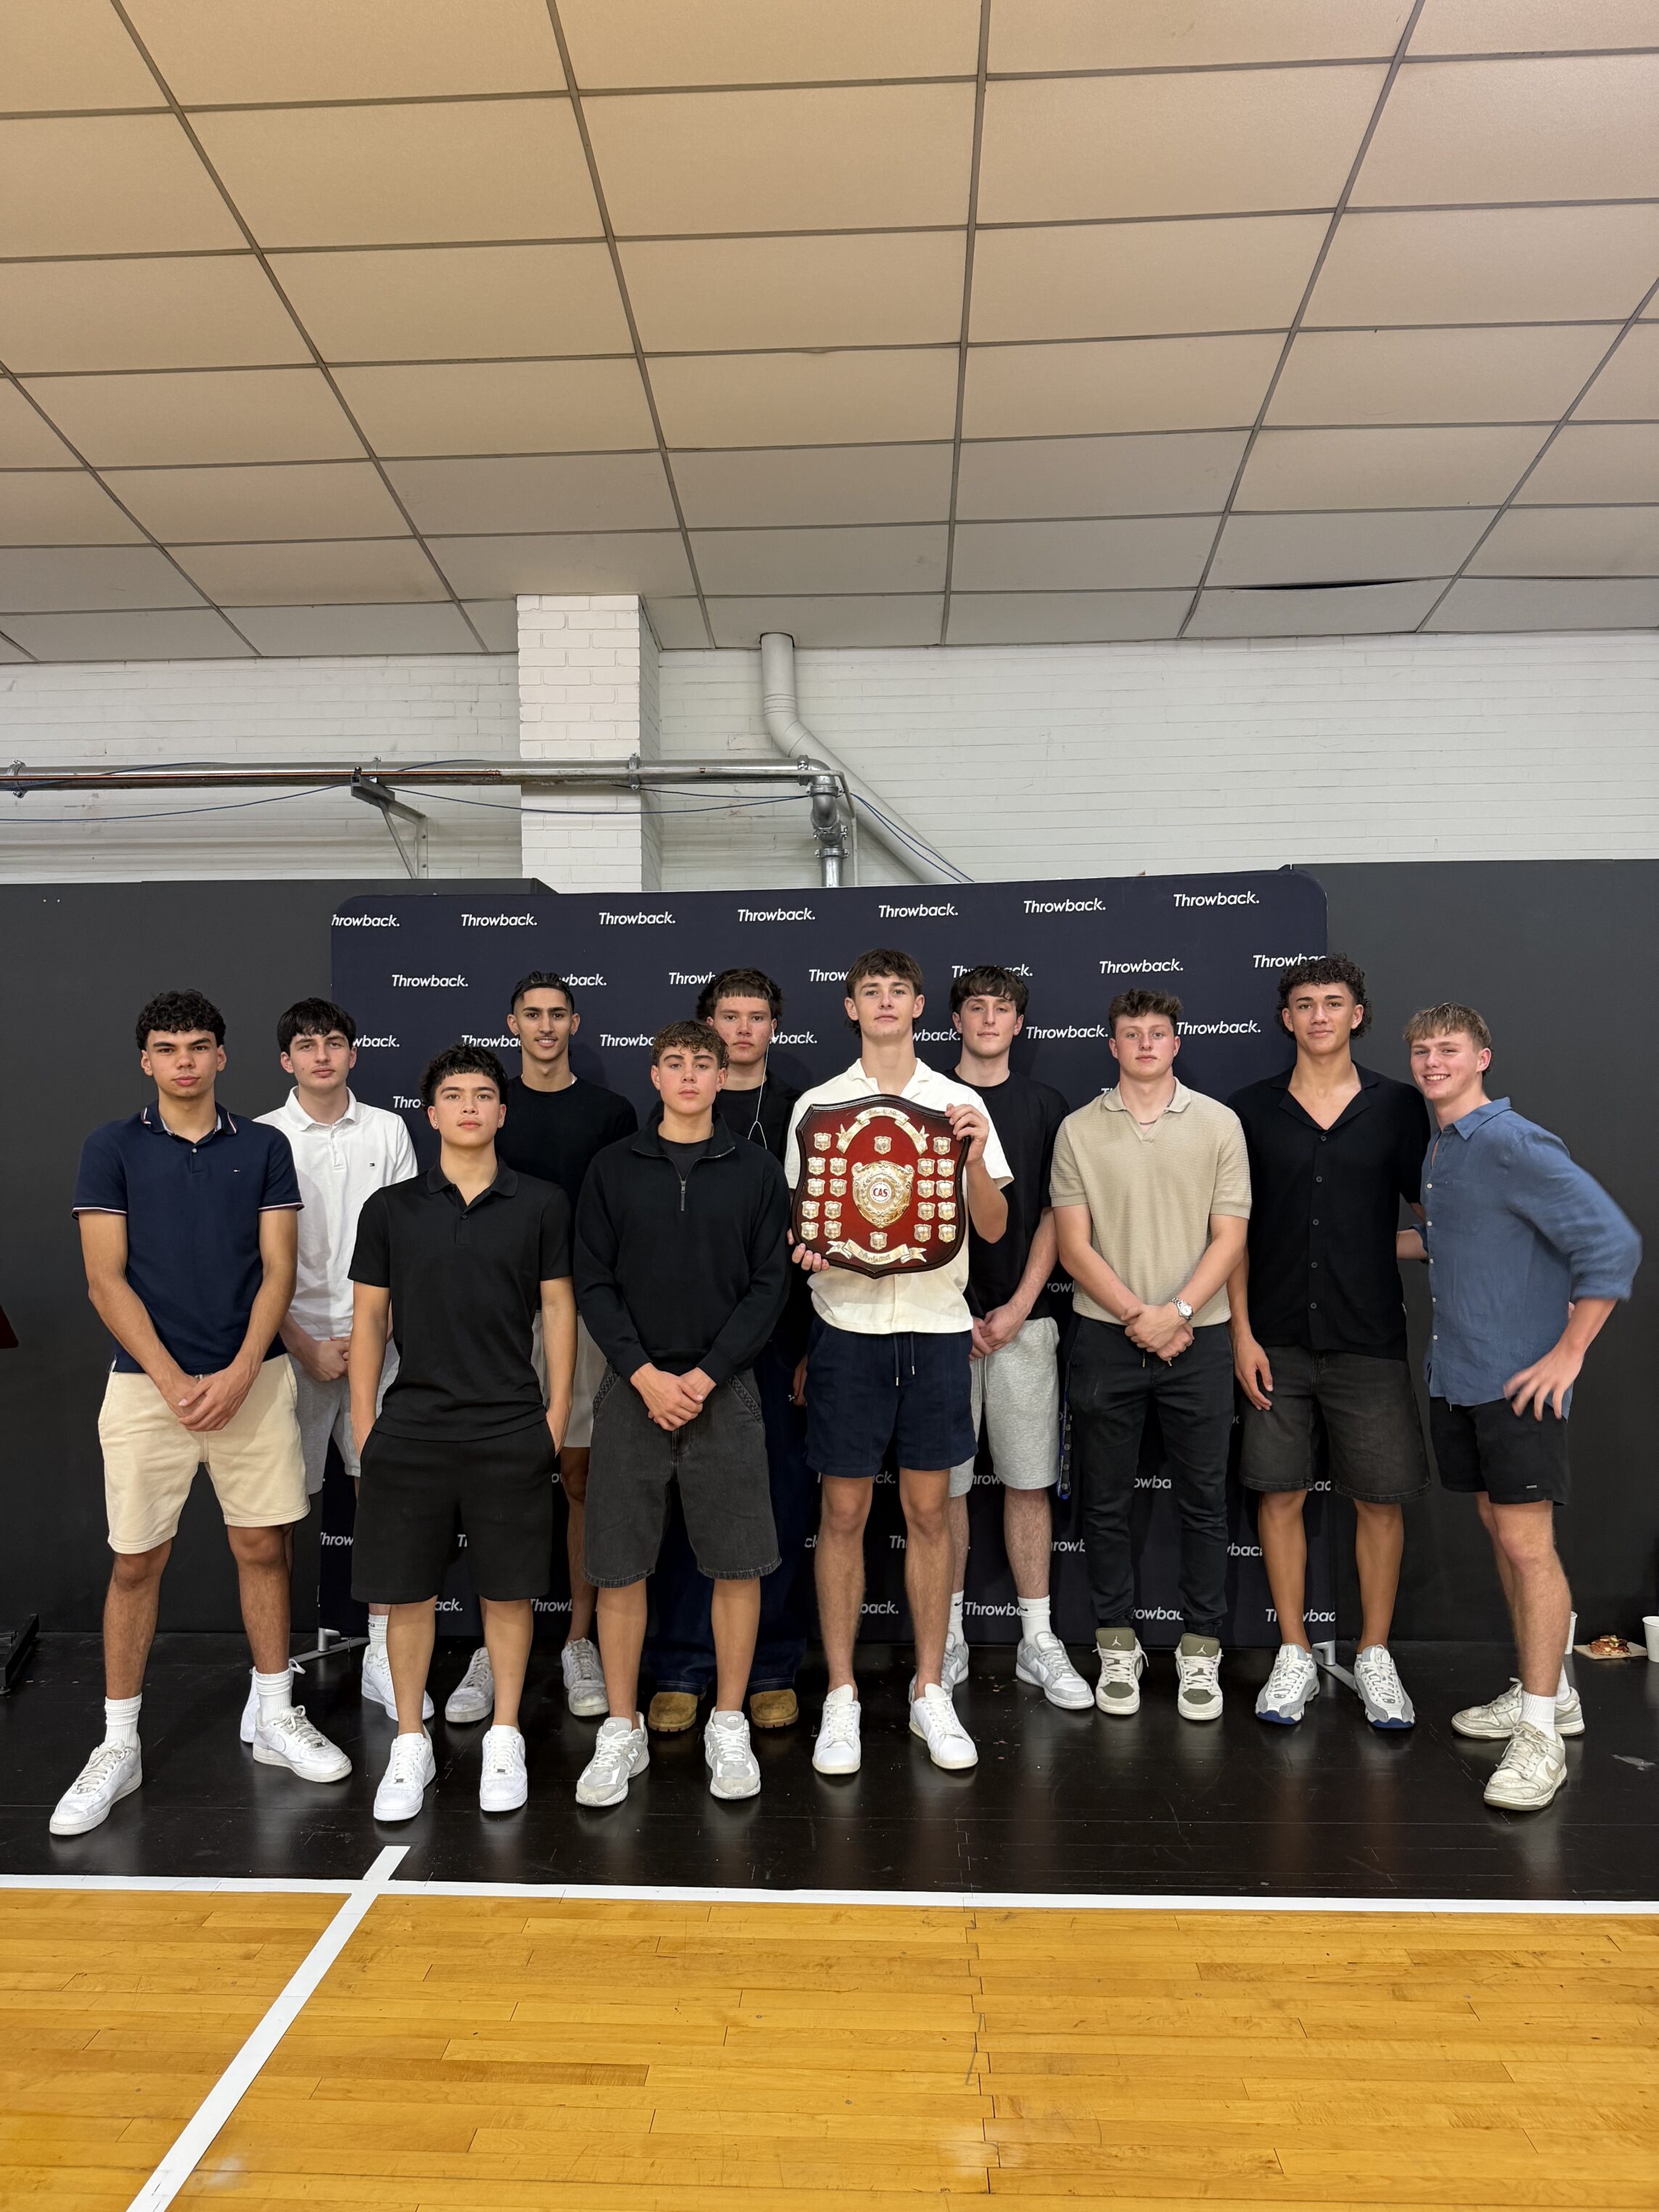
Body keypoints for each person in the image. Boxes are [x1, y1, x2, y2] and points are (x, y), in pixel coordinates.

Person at [53, 990, 351, 1837]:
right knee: (137, 1564)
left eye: (198, 1045)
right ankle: (118, 1745)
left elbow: (278, 1272)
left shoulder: (262, 1147)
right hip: (148, 1389)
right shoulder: (109, 1147)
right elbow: (104, 1279)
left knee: (264, 1546)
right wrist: (176, 1379)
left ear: (223, 1056)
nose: (184, 1060)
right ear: (146, 1061)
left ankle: (273, 1716)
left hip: (249, 1384)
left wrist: (239, 1369)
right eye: (166, 1047)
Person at [1403, 1002, 1639, 1811]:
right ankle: (1555, 1692)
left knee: (1529, 1548)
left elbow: (1613, 1244)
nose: (1434, 1061)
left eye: (1450, 1048)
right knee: (1503, 1539)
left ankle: (1541, 1735)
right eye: (1423, 1050)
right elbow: (1459, 1239)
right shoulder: (1442, 1150)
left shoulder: (1509, 1141)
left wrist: (1567, 1355)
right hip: (1458, 1377)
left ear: (1483, 1057)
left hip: (1518, 1386)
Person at [787, 950, 1011, 1777]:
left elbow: (990, 1228)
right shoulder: (817, 1107)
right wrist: (807, 1250)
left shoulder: (961, 1102)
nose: (885, 1004)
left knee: (928, 1515)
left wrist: (974, 1152)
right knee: (842, 1514)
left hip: (935, 1327)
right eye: (870, 993)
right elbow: (806, 1221)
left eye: (898, 992)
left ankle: (927, 1689)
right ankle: (841, 1695)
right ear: (851, 1007)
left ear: (920, 1005)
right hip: (845, 1326)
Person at [347, 1045, 575, 1820]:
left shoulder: (542, 1204)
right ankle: (411, 1738)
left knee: (508, 1592)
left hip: (511, 1423)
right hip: (410, 1427)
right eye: (454, 1095)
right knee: (407, 1595)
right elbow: (369, 1318)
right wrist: (364, 1422)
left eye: (484, 1094)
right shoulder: (390, 1210)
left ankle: (505, 1733)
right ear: (432, 1113)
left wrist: (553, 1416)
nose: (471, 1106)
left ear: (502, 1113)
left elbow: (558, 1313)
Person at [572, 1022, 790, 1807]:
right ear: (656, 1074)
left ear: (724, 1073)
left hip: (723, 1392)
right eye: (677, 1064)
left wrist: (702, 1375)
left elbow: (770, 1287)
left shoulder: (758, 1170)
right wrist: (642, 1373)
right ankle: (622, 1727)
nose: (692, 1076)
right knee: (620, 1566)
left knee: (737, 1563)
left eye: (706, 1063)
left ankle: (726, 1721)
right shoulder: (612, 1168)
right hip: (632, 1392)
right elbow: (592, 1282)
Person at [1227, 956, 1432, 1731]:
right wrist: (1242, 1333)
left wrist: (1397, 1247)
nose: (1318, 1015)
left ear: (1357, 1014)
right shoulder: (1250, 1111)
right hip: (1273, 1338)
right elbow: (1232, 1237)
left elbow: (1432, 1216)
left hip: (1369, 1337)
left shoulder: (1400, 1107)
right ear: (1287, 1019)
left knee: (1379, 1499)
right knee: (1278, 1493)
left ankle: (1374, 1655)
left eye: (1333, 1002)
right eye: (1304, 1004)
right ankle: (1294, 1653)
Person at [1051, 988, 1251, 1722]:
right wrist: (1139, 1315)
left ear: (1176, 1043)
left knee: (1205, 1504)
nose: (1144, 1044)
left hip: (1200, 1337)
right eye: (1130, 1034)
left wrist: (1179, 1314)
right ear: (1111, 1046)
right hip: (1108, 1337)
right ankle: (1115, 1643)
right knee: (1105, 1506)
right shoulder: (1077, 1130)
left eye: (1157, 1033)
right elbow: (1073, 1243)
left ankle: (1202, 1650)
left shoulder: (1219, 1124)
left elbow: (1229, 1237)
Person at [451, 971, 635, 1730]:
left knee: (582, 1475)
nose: (547, 1026)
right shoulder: (489, 1109)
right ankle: (495, 1650)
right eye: (532, 1015)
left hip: (585, 1314)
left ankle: (579, 1642)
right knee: (502, 1477)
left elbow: (623, 1217)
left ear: (575, 1022)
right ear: (512, 1023)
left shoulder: (611, 1112)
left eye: (559, 1015)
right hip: (498, 1318)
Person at [643, 969, 812, 1734]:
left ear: (775, 1026)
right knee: (683, 1509)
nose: (742, 1031)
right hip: (677, 1354)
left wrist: (808, 1347)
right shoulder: (671, 1112)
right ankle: (682, 1663)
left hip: (772, 1344)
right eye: (728, 1018)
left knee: (769, 1510)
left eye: (756, 1017)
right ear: (703, 1030)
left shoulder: (803, 1108)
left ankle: (774, 1661)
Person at [256, 997, 419, 1734]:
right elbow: (250, 1263)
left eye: (334, 1042)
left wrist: (368, 1336)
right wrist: (301, 1341)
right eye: (306, 1045)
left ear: (353, 1053)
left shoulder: (389, 1129)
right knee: (274, 1517)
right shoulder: (257, 1139)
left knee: (378, 1496)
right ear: (286, 1060)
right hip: (287, 1351)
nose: (322, 1054)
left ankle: (385, 1652)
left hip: (374, 1348)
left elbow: (409, 1240)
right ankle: (272, 1680)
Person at [946, 965, 1089, 1711]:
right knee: (943, 1494)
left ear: (1020, 1024)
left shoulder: (1043, 1105)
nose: (990, 1019)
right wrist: (958, 1310)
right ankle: (948, 1638)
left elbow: (1053, 1218)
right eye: (977, 1007)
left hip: (1025, 1324)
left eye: (1003, 1009)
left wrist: (1017, 1306)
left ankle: (1037, 1638)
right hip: (940, 1325)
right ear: (958, 1021)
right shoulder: (927, 1101)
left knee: (1029, 1483)